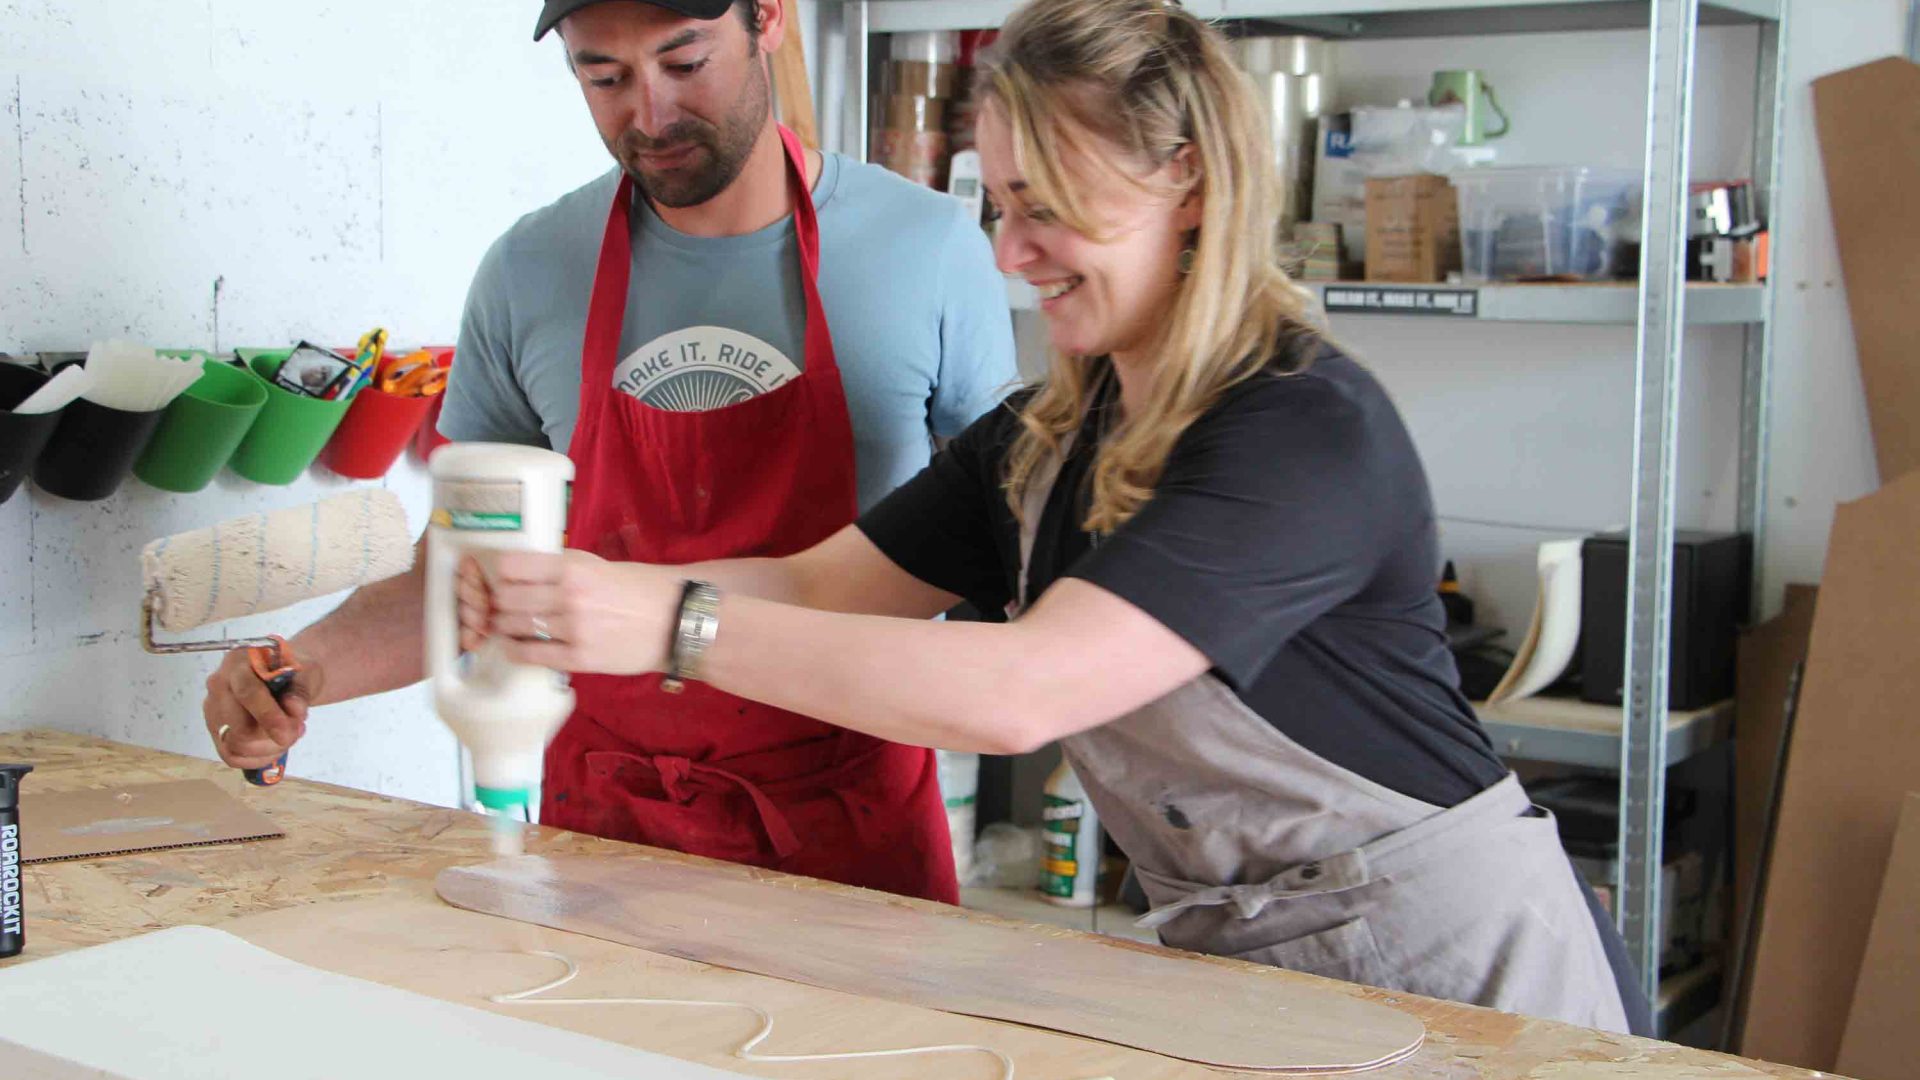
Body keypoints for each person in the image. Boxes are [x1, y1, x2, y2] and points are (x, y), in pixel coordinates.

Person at [453, 0, 1654, 1033]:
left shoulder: (1296, 426)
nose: (1012, 250)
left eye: (1052, 205)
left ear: (1183, 176)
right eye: (1002, 202)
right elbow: (824, 584)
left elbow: (1022, 689)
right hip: (1240, 962)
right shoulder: (1045, 438)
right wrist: (576, 596)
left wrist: (672, 627)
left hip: (1464, 978)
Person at [199, 0, 1018, 906]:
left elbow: (992, 541)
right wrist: (303, 672)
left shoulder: (928, 249)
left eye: (684, 62)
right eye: (605, 78)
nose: (650, 114)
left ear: (769, 21)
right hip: (603, 829)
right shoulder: (531, 268)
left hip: (848, 821)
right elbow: (470, 571)